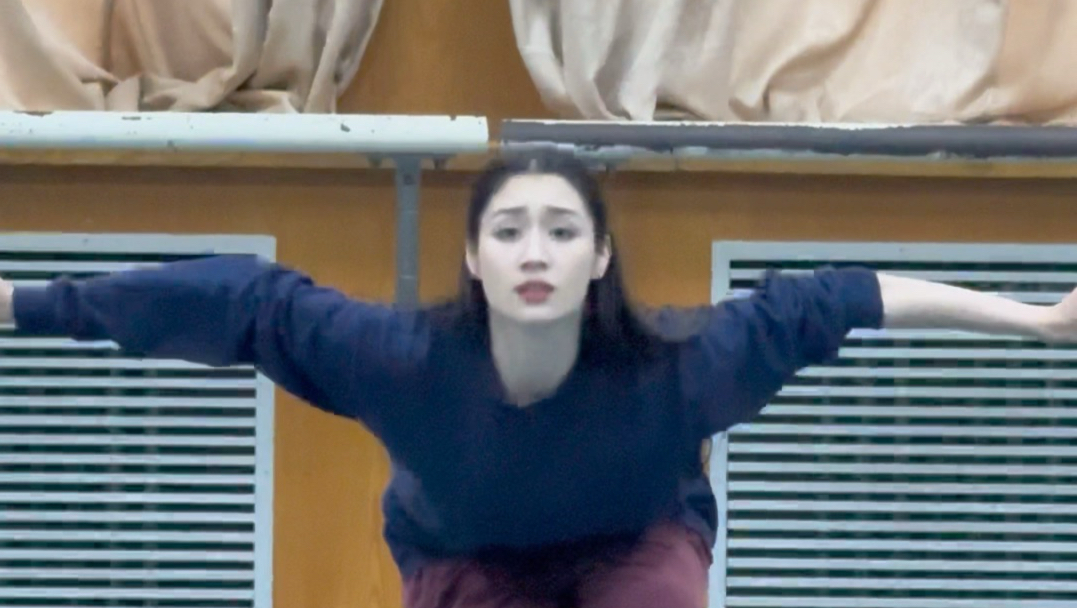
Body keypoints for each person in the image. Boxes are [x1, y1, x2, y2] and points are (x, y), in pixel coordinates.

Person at [1, 150, 1074, 608]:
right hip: (464, 554)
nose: (534, 251)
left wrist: (1033, 321)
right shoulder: (401, 360)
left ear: (598, 257)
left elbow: (846, 297)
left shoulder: (681, 363)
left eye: (561, 230)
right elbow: (238, 300)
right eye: (508, 229)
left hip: (636, 540)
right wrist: (21, 304)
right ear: (473, 258)